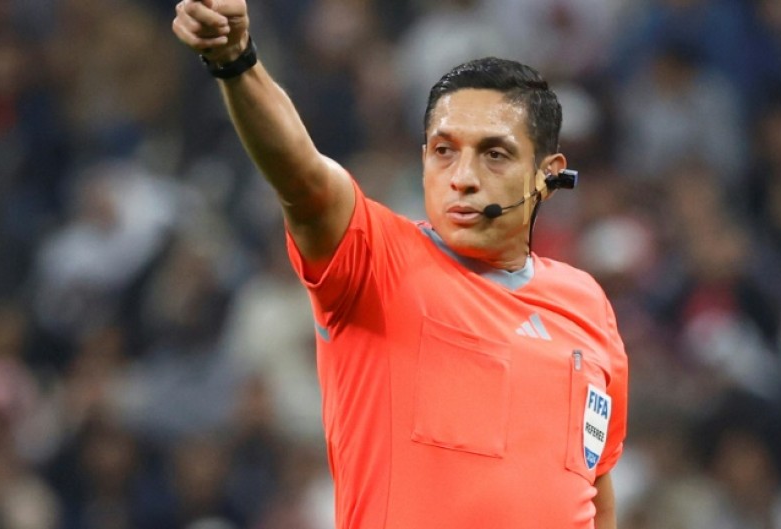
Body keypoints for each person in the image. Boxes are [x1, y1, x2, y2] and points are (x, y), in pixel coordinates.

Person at [171, 1, 629, 528]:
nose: (463, 176)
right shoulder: (379, 262)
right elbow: (302, 177)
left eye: (495, 154)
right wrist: (236, 63)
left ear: (547, 174)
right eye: (443, 151)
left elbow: (594, 484)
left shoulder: (588, 303)